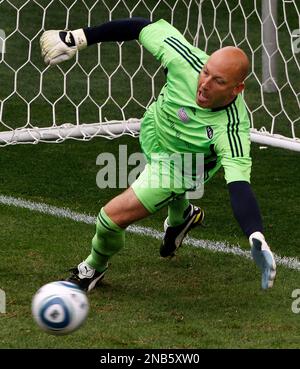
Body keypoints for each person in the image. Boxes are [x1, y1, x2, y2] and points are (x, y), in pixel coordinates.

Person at [40, 17, 276, 291]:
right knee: (163, 177)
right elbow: (140, 27)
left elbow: (239, 187)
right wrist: (79, 37)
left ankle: (94, 266)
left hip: (182, 165)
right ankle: (182, 217)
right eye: (206, 72)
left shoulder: (232, 129)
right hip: (157, 128)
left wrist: (255, 234)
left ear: (237, 89)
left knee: (110, 218)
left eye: (218, 81)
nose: (205, 83)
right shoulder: (185, 59)